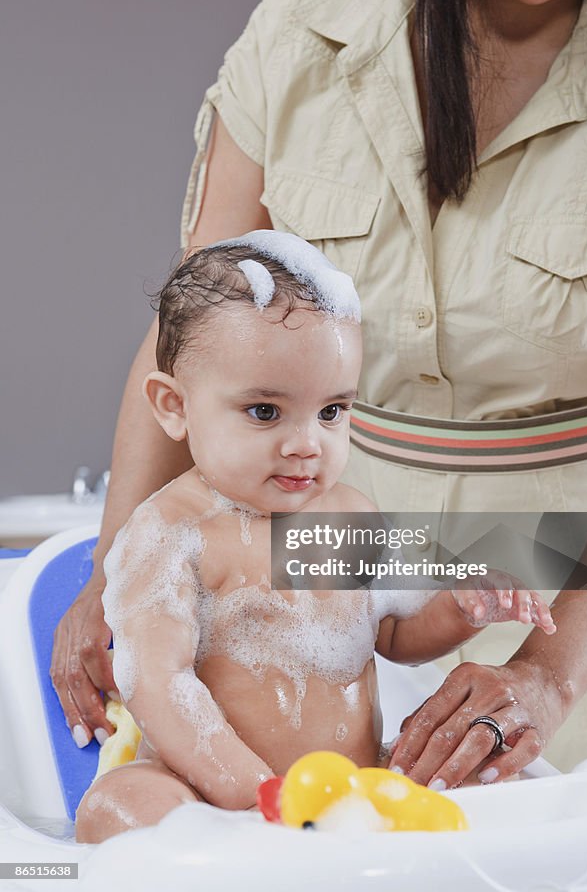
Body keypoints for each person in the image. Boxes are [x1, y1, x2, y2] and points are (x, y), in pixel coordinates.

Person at [52, 0, 587, 785]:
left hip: (583, 586)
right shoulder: (301, 35)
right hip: (318, 583)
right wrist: (113, 575)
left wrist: (547, 675)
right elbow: (192, 343)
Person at [74, 234, 556, 842]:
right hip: (216, 794)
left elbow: (396, 633)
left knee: (497, 784)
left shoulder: (344, 516)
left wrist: (460, 610)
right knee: (121, 807)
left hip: (348, 787)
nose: (307, 443)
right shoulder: (173, 534)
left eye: (331, 412)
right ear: (175, 406)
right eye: (265, 412)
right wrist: (256, 795)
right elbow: (159, 681)